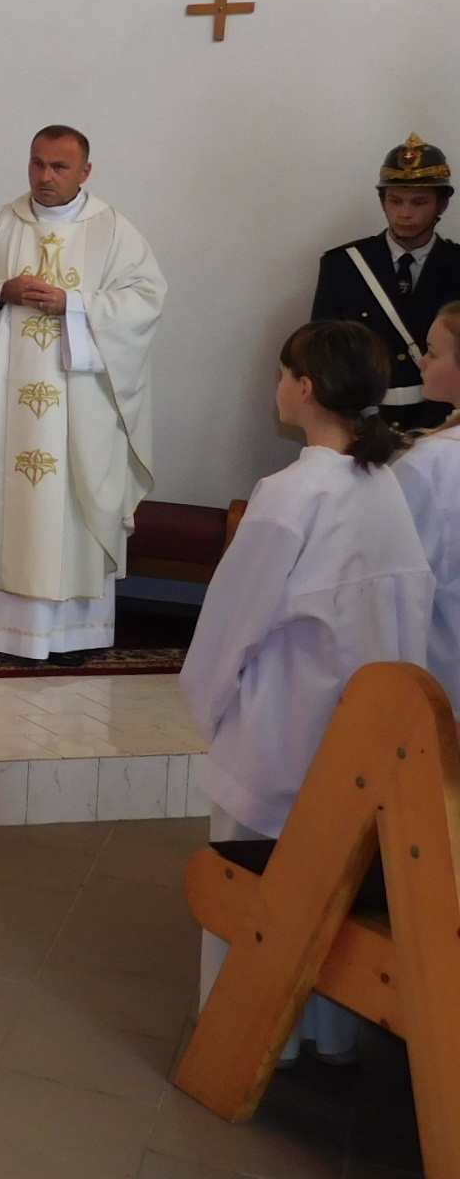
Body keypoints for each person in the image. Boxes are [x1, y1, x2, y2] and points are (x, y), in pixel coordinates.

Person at [181, 320, 432, 1065]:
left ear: (306, 387)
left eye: (281, 373)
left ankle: (243, 1037)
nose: (277, 386)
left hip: (281, 727)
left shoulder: (291, 493)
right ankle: (329, 1034)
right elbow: (412, 605)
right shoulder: (384, 486)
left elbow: (234, 622)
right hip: (360, 734)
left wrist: (214, 707)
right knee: (334, 881)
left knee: (255, 886)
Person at [0, 126, 167, 663]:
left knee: (73, 503)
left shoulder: (113, 230)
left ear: (85, 171)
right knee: (6, 497)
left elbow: (146, 301)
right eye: (37, 163)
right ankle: (5, 630)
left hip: (81, 404)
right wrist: (1, 291)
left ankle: (75, 634)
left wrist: (75, 305)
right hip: (7, 404)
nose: (45, 176)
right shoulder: (1, 224)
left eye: (60, 167)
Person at [311, 134, 459, 432]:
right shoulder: (344, 265)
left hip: (443, 426)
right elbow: (324, 354)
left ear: (442, 205)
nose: (405, 213)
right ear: (382, 201)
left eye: (419, 202)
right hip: (367, 426)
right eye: (395, 200)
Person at [394, 299, 460, 701]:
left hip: (440, 683)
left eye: (433, 353)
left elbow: (396, 582)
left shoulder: (433, 462)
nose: (422, 362)